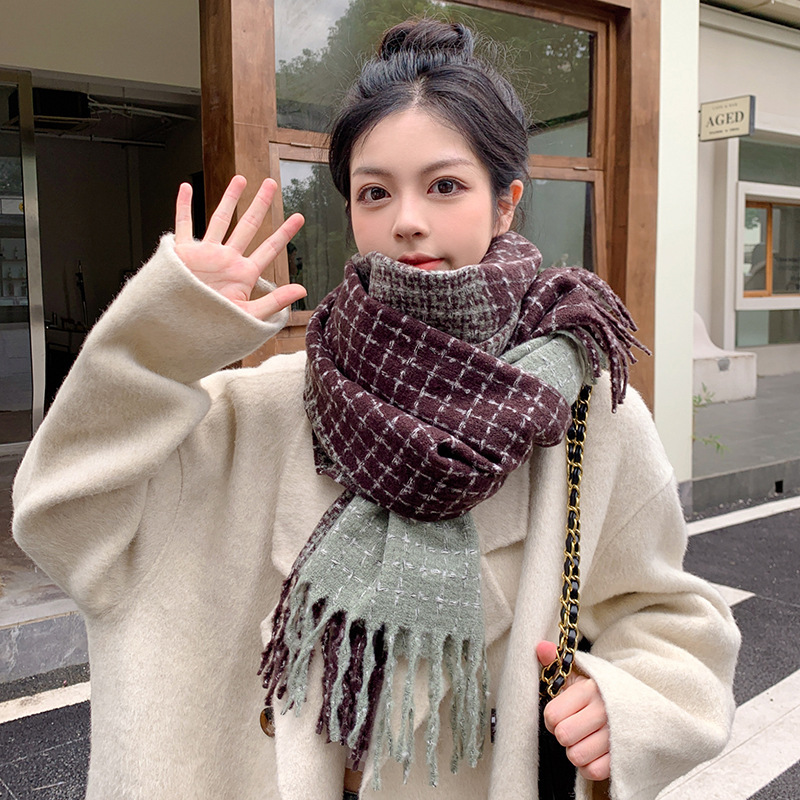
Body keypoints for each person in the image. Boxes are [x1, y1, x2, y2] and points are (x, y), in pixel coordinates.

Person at [12, 18, 738, 800]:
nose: (407, 219)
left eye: (445, 185)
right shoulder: (262, 410)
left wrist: (625, 704)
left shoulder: (586, 414)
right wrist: (162, 338)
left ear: (506, 204)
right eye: (375, 192)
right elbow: (68, 523)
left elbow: (667, 618)